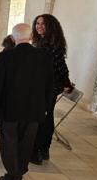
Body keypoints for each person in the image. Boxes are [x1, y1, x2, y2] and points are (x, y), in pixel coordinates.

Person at [0, 23, 55, 180]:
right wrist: (47, 107)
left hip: (10, 109)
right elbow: (50, 85)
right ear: (31, 36)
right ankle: (19, 172)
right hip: (34, 110)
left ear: (12, 38)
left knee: (9, 141)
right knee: (26, 143)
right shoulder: (44, 57)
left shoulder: (5, 57)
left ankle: (12, 175)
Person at [32, 14, 74, 164]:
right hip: (47, 85)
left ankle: (39, 151)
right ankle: (43, 150)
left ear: (50, 26)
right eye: (37, 23)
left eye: (43, 24)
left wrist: (67, 83)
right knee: (46, 117)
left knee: (43, 118)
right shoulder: (44, 41)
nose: (39, 26)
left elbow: (59, 66)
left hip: (49, 86)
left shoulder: (50, 43)